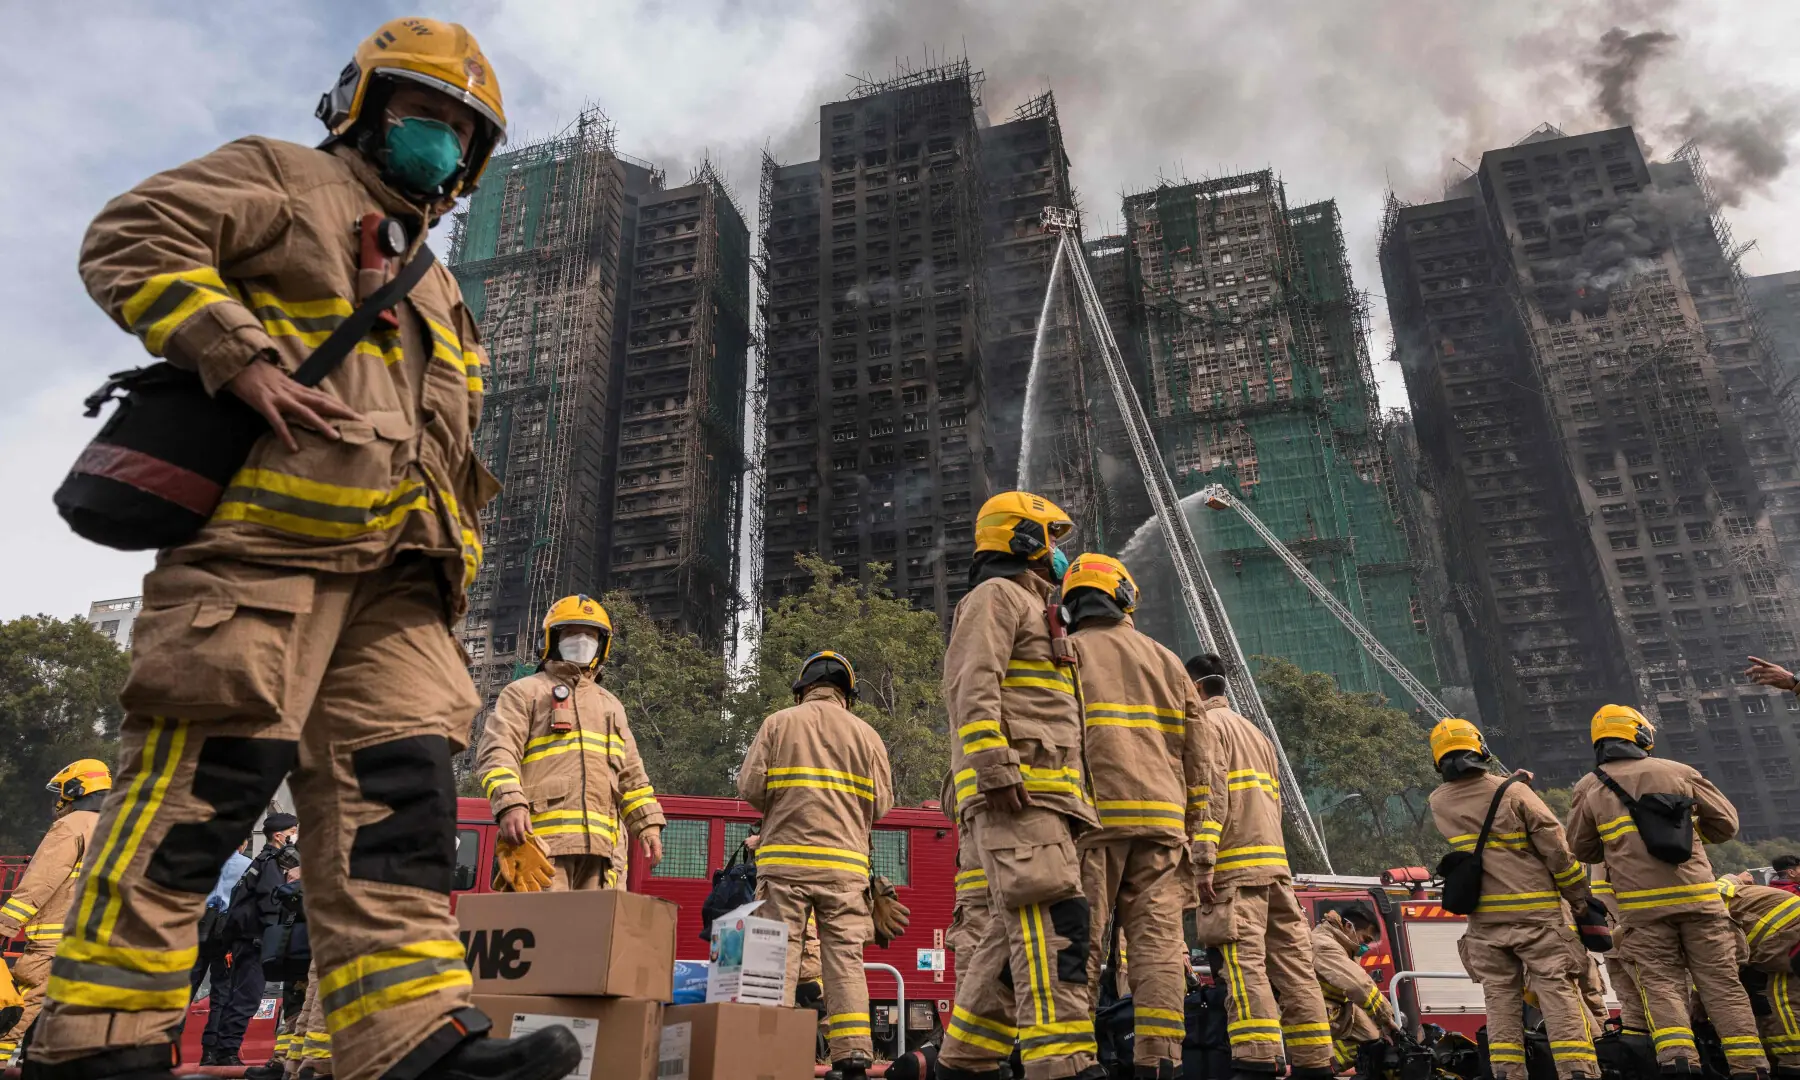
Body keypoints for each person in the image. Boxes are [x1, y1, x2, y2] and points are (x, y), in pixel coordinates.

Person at [27, 18, 581, 1080]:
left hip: (401, 589)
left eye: (465, 133)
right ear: (362, 107)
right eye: (425, 116)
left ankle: (411, 1040)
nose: (444, 146)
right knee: (200, 800)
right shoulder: (284, 179)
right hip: (263, 562)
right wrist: (236, 356)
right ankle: (97, 1045)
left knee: (402, 812)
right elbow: (131, 236)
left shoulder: (436, 280)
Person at [938, 491, 1102, 1080]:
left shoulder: (1037, 609)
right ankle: (1064, 1066)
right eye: (1051, 540)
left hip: (1048, 798)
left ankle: (964, 1065)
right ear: (1023, 539)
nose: (1059, 554)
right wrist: (996, 770)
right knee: (1052, 929)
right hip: (1021, 794)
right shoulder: (996, 596)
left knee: (1007, 948)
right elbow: (971, 685)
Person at [1060, 554, 1207, 1080]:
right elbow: (1200, 756)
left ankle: (1077, 1061)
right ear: (1124, 596)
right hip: (1164, 830)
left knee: (1082, 943)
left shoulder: (1063, 654)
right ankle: (1160, 1060)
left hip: (1092, 826)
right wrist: (1200, 832)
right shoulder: (1167, 661)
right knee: (1160, 949)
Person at [1567, 704, 1766, 1079]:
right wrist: (1688, 836)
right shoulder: (1679, 772)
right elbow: (1726, 825)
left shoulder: (1589, 787)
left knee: (1661, 986)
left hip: (1642, 912)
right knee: (1721, 985)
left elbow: (1581, 849)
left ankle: (1679, 1063)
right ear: (1641, 735)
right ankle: (1749, 1067)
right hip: (1701, 903)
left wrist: (1623, 848)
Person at [739, 651, 894, 1080]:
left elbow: (751, 788)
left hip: (784, 867)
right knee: (844, 961)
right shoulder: (868, 736)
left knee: (777, 957)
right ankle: (853, 1058)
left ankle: (768, 1058)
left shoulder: (778, 723)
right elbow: (881, 806)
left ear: (802, 687)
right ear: (849, 693)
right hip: (844, 871)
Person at [1186, 654, 1333, 1080]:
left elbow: (1209, 798)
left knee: (1243, 967)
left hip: (1234, 872)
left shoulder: (1208, 728)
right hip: (1276, 871)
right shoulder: (1257, 734)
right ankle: (1315, 1063)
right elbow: (1277, 804)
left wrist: (1202, 863)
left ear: (1194, 687)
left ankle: (1254, 1062)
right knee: (1295, 971)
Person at [1426, 718, 1596, 1080]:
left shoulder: (1438, 802)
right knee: (1558, 994)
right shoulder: (1514, 793)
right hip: (1535, 915)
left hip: (1484, 923)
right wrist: (1579, 897)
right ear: (1481, 748)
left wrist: (1511, 786)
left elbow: (1482, 805)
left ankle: (1507, 1073)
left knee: (1500, 1001)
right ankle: (1578, 1072)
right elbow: (1557, 851)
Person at [477, 594, 665, 890]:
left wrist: (648, 824)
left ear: (602, 644)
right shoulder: (525, 693)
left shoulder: (611, 706)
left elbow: (632, 776)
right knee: (543, 933)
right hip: (541, 846)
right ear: (552, 639)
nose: (581, 641)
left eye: (589, 635)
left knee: (596, 935)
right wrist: (510, 804)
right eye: (571, 633)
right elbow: (497, 753)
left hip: (604, 854)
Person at [0, 761, 110, 1065]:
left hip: (56, 944)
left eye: (61, 794)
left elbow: (39, 883)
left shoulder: (73, 826)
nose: (58, 801)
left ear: (77, 789)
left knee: (11, 1019)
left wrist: (4, 927)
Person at [201, 814, 298, 1066]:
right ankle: (228, 1052)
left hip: (246, 940)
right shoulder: (272, 863)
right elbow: (271, 903)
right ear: (279, 835)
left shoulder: (260, 861)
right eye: (293, 830)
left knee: (237, 997)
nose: (297, 834)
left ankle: (223, 1050)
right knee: (248, 998)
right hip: (256, 941)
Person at [1712, 873, 1800, 1075]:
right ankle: (1779, 1054)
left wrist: (1698, 999)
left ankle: (1793, 1061)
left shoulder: (1707, 905)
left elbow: (1716, 966)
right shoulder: (1721, 892)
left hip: (1784, 935)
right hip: (1779, 934)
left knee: (1781, 997)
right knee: (1768, 996)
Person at [1308, 905, 1396, 1078]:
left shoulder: (1345, 948)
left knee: (1373, 1040)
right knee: (1371, 1043)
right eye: (1365, 938)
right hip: (1316, 1010)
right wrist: (1386, 1018)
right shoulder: (1325, 945)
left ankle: (1323, 1067)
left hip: (1335, 1008)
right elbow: (1358, 985)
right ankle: (1315, 1070)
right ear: (1349, 926)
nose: (1366, 946)